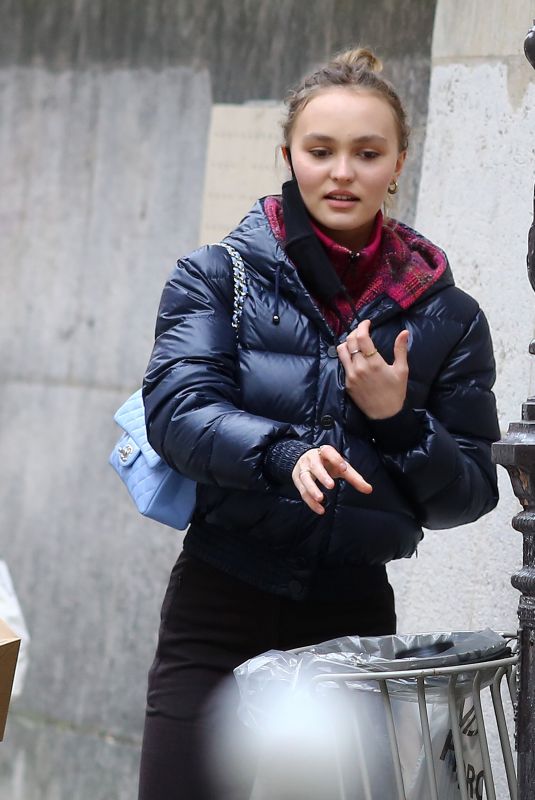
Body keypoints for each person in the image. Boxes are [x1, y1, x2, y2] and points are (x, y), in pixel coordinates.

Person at [138, 47, 500, 799]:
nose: (342, 173)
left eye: (366, 153)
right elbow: (178, 411)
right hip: (221, 590)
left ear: (398, 161)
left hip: (352, 612)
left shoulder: (447, 316)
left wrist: (396, 420)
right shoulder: (215, 276)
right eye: (320, 151)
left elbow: (466, 494)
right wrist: (281, 453)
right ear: (287, 157)